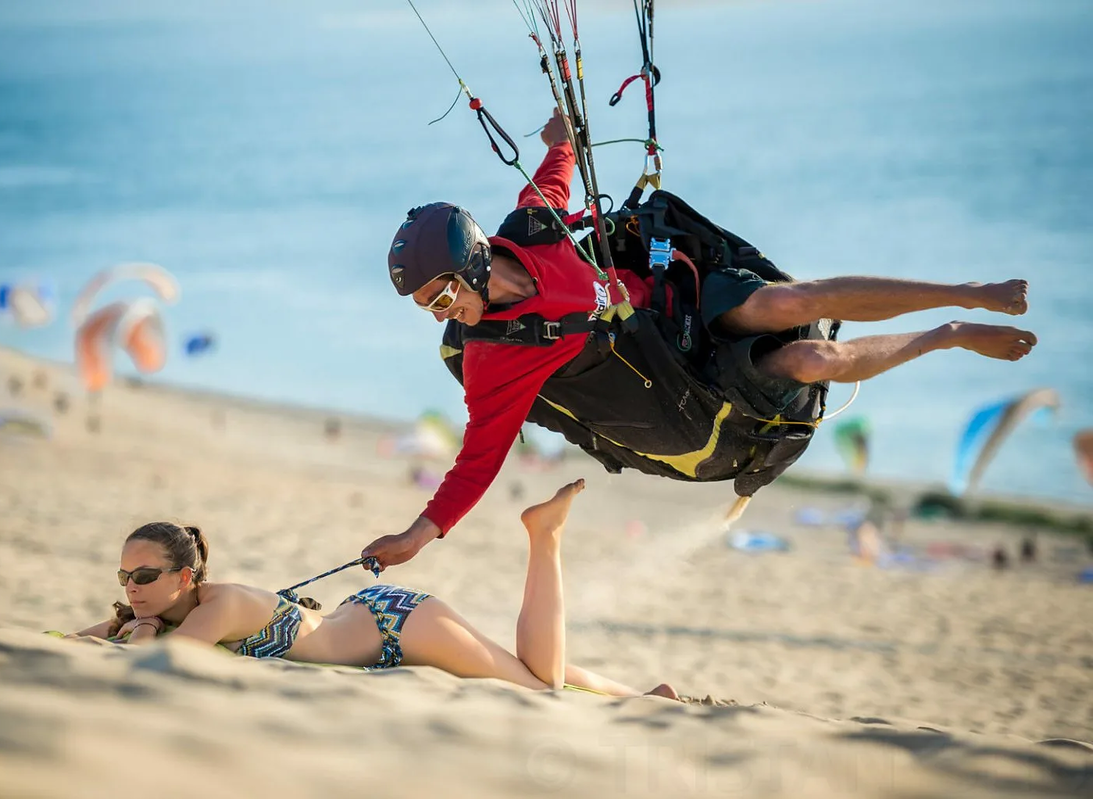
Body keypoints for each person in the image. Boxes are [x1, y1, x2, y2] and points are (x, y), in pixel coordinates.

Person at [365, 107, 1037, 571]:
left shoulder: (535, 221)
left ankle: (969, 292)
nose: (441, 313)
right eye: (430, 306)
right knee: (813, 357)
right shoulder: (493, 360)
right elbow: (475, 463)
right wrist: (417, 535)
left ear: (476, 257)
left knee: (795, 302)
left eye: (443, 294)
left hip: (682, 305)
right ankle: (948, 334)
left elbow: (561, 157)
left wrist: (558, 135)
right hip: (678, 383)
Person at [71, 480, 678, 699]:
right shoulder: (163, 608)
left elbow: (166, 659)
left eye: (144, 577)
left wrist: (142, 630)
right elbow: (81, 641)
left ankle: (543, 537)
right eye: (125, 577)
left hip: (397, 627)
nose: (133, 588)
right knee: (519, 664)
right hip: (367, 618)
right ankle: (643, 697)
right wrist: (123, 625)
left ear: (184, 577)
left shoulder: (216, 605)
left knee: (538, 686)